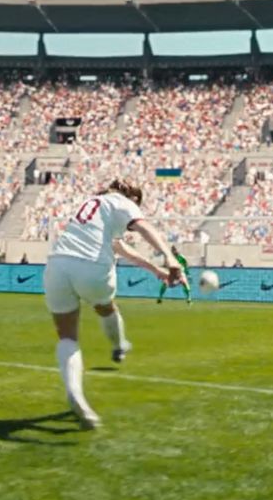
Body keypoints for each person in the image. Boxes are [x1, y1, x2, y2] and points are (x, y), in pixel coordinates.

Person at [43, 178, 180, 429]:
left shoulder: (93, 205)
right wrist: (170, 259)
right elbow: (143, 227)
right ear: (132, 198)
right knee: (105, 307)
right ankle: (119, 345)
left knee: (67, 337)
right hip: (91, 267)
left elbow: (123, 249)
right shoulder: (122, 202)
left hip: (56, 264)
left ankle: (75, 393)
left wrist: (155, 270)